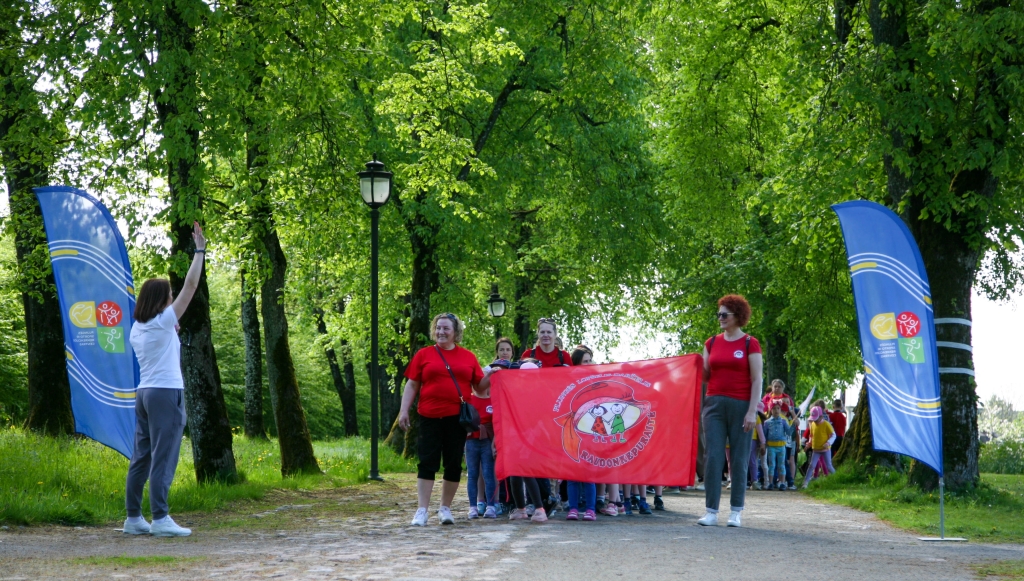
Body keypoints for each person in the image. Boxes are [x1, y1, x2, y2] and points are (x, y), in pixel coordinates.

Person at [123, 221, 206, 537]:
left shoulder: (138, 327)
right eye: (169, 297)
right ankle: (160, 518)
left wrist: (171, 332)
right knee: (164, 455)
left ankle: (133, 519)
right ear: (160, 300)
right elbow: (191, 287)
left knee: (141, 455)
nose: (174, 300)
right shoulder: (162, 322)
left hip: (144, 393)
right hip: (165, 393)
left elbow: (162, 337)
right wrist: (199, 250)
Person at [399, 313, 492, 526]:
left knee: (452, 463)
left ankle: (445, 508)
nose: (441, 332)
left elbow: (479, 387)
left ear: (455, 332)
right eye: (438, 328)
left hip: (456, 418)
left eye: (446, 328)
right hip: (429, 416)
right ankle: (422, 510)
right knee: (427, 461)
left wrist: (493, 374)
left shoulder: (468, 357)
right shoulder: (424, 354)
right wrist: (403, 411)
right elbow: (412, 384)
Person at [697, 295, 763, 528]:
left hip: (741, 405)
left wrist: (752, 411)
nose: (721, 318)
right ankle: (711, 511)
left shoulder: (749, 343)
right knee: (713, 457)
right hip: (713, 404)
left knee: (738, 458)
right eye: (719, 314)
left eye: (725, 314)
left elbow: (757, 380)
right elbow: (704, 375)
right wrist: (693, 366)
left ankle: (736, 511)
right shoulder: (711, 343)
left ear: (738, 316)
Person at [465, 379, 496, 519]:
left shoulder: (494, 401)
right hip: (471, 441)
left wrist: (494, 442)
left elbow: (498, 424)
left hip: (488, 442)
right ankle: (473, 507)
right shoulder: (468, 399)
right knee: (472, 474)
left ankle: (491, 506)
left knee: (488, 474)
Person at [802, 407, 836, 488]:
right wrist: (809, 444)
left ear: (821, 416)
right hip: (816, 449)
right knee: (811, 465)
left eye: (816, 419)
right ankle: (805, 482)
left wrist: (828, 443)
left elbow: (833, 435)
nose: (814, 421)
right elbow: (811, 436)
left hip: (825, 449)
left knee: (829, 466)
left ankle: (836, 478)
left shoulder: (826, 424)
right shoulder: (813, 424)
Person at [762, 403, 788, 490]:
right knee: (772, 464)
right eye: (774, 409)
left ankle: (782, 483)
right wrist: (763, 445)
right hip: (771, 447)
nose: (776, 410)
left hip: (781, 447)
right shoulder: (767, 422)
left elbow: (788, 432)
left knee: (781, 465)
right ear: (771, 410)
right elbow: (764, 435)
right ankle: (770, 483)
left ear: (780, 410)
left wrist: (793, 425)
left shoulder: (784, 421)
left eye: (778, 408)